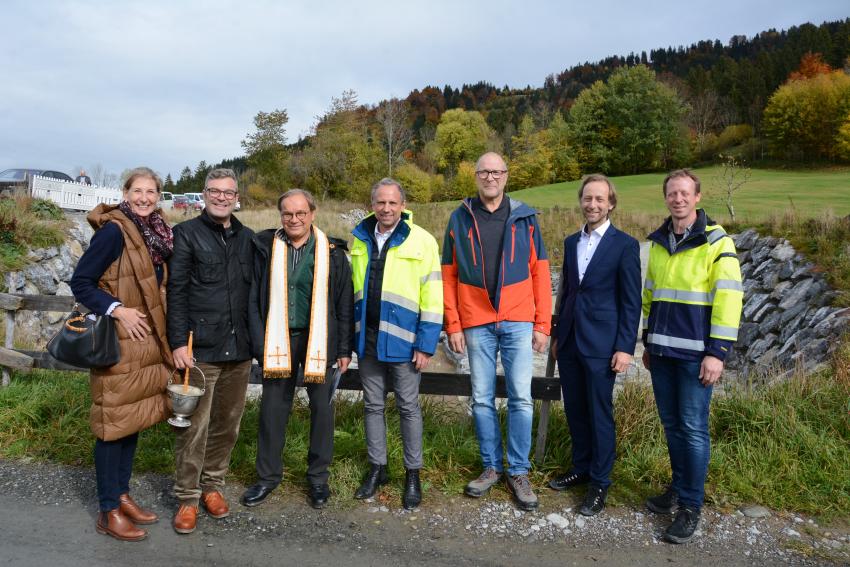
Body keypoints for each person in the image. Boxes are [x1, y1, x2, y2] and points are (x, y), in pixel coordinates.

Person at [442, 152, 551, 511]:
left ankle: (518, 470)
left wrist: (542, 324)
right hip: (476, 320)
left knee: (521, 396)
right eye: (484, 172)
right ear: (475, 176)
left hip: (519, 319)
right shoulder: (459, 218)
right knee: (482, 397)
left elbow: (540, 273)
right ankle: (491, 466)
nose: (490, 177)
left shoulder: (526, 217)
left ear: (506, 176)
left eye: (497, 172)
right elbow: (449, 275)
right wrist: (453, 323)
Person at [69, 167, 173, 542]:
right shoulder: (114, 231)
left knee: (132, 422)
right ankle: (107, 509)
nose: (145, 198)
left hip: (145, 344)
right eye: (138, 191)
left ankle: (122, 494)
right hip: (119, 341)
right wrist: (117, 308)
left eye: (151, 192)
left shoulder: (156, 233)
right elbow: (81, 282)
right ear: (125, 193)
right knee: (112, 427)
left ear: (159, 196)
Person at [641, 169, 743, 544]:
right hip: (662, 354)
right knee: (672, 426)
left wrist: (717, 353)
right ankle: (678, 489)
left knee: (694, 429)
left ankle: (690, 507)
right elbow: (649, 296)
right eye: (672, 193)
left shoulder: (717, 243)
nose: (678, 199)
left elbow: (729, 299)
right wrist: (647, 342)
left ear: (697, 197)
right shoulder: (658, 242)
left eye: (685, 193)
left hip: (697, 357)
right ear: (666, 197)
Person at [241, 189, 353, 510]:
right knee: (272, 410)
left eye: (301, 213)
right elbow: (253, 301)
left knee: (322, 410)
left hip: (319, 339)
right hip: (278, 339)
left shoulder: (332, 252)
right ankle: (267, 477)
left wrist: (344, 348)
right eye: (288, 214)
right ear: (280, 216)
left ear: (312, 214)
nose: (294, 219)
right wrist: (258, 345)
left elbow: (344, 304)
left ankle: (318, 479)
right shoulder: (265, 248)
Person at [166, 168, 254, 534]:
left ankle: (213, 486)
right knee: (194, 427)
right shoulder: (185, 234)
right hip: (200, 348)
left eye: (228, 192)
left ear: (237, 197)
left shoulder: (248, 238)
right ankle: (187, 496)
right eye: (215, 191)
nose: (221, 197)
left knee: (227, 425)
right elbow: (177, 292)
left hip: (240, 349)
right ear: (204, 194)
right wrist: (176, 343)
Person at [548, 174, 641, 516]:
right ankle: (581, 466)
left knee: (600, 413)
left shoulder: (625, 245)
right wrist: (558, 336)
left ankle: (600, 483)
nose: (593, 204)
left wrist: (625, 348)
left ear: (611, 204)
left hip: (603, 345)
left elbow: (631, 303)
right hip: (571, 341)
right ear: (581, 201)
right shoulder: (572, 241)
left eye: (600, 199)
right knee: (574, 408)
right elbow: (568, 292)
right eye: (588, 198)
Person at [350, 178, 442, 510]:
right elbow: (354, 291)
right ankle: (378, 468)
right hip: (369, 338)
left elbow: (433, 294)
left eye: (392, 203)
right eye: (380, 203)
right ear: (372, 204)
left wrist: (426, 344)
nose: (386, 209)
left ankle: (412, 474)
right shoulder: (360, 238)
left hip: (405, 341)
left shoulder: (422, 241)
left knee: (408, 407)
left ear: (403, 205)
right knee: (372, 406)